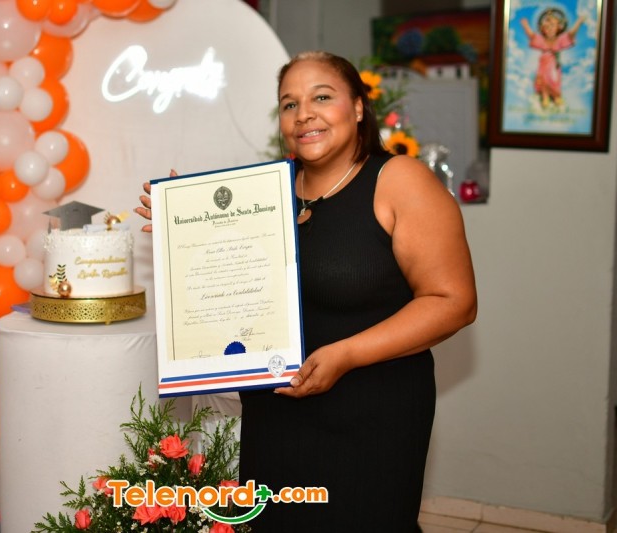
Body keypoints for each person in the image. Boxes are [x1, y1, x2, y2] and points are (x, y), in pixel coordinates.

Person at [135, 50, 477, 532]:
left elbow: (454, 302)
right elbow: (240, 285)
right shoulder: (266, 194)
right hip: (276, 413)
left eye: (322, 97)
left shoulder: (400, 180)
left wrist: (345, 355)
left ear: (357, 106)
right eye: (290, 104)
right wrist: (189, 226)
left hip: (373, 414)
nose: (304, 114)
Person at [520, 8, 585, 109]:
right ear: (543, 30)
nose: (550, 29)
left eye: (553, 26)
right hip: (543, 66)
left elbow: (571, 35)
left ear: (558, 28)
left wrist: (578, 22)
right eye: (547, 27)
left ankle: (555, 96)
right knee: (543, 80)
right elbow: (532, 36)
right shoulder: (541, 40)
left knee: (554, 80)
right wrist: (525, 25)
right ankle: (545, 96)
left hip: (554, 66)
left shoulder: (560, 40)